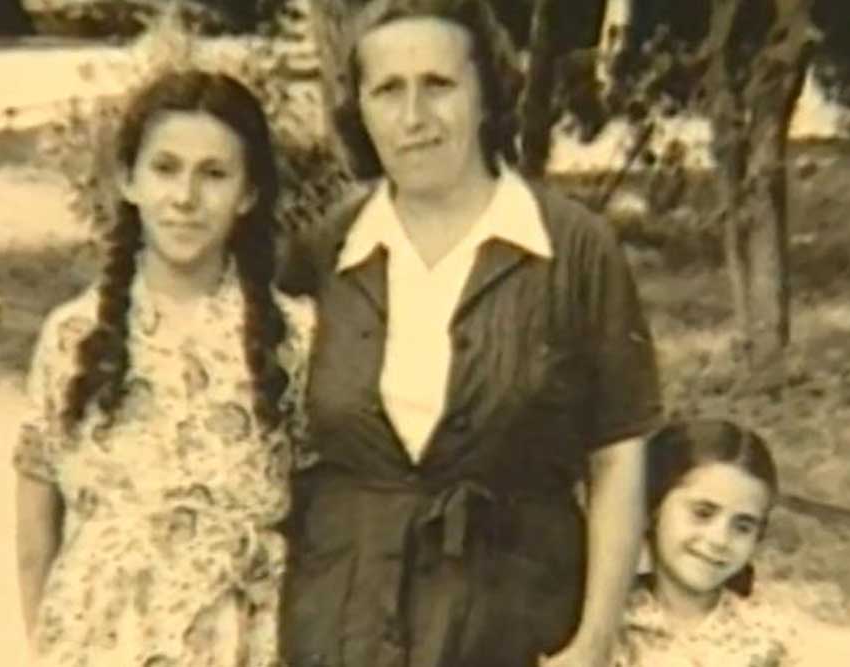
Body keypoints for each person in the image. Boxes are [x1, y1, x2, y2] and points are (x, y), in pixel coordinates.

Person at [277, 1, 662, 666]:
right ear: (360, 110)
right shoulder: (327, 248)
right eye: (388, 91)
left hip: (513, 617)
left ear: (488, 94)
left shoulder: (573, 247)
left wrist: (595, 636)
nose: (414, 117)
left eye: (440, 85)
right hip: (345, 619)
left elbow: (618, 451)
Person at [13, 70, 310, 667]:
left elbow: (322, 515)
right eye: (165, 168)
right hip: (102, 641)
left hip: (245, 643)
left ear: (248, 194)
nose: (185, 198)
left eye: (215, 174)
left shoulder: (295, 336)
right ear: (129, 180)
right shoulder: (73, 336)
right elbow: (34, 530)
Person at [610, 420, 796, 666]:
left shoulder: (768, 637)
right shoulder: (608, 621)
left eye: (742, 526)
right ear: (654, 507)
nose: (720, 540)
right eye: (703, 513)